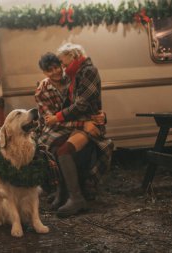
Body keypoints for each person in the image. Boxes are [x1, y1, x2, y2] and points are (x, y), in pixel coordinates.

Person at [46, 43, 113, 218]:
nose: (61, 67)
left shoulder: (88, 71)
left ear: (73, 56)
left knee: (63, 151)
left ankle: (76, 199)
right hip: (78, 123)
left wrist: (58, 117)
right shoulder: (73, 74)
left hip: (90, 123)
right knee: (53, 146)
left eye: (63, 62)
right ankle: (64, 193)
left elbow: (82, 104)